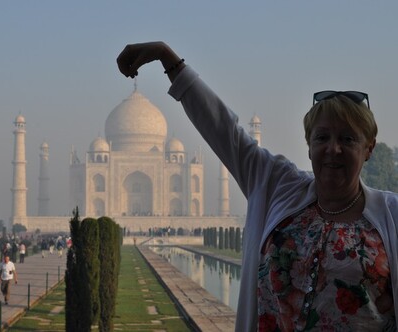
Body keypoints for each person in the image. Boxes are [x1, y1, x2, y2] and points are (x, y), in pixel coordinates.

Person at [117, 42, 398, 331]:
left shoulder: (391, 215)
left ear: (369, 148)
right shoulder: (280, 187)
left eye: (348, 139)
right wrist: (169, 59)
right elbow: (224, 130)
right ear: (309, 145)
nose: (333, 149)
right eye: (322, 138)